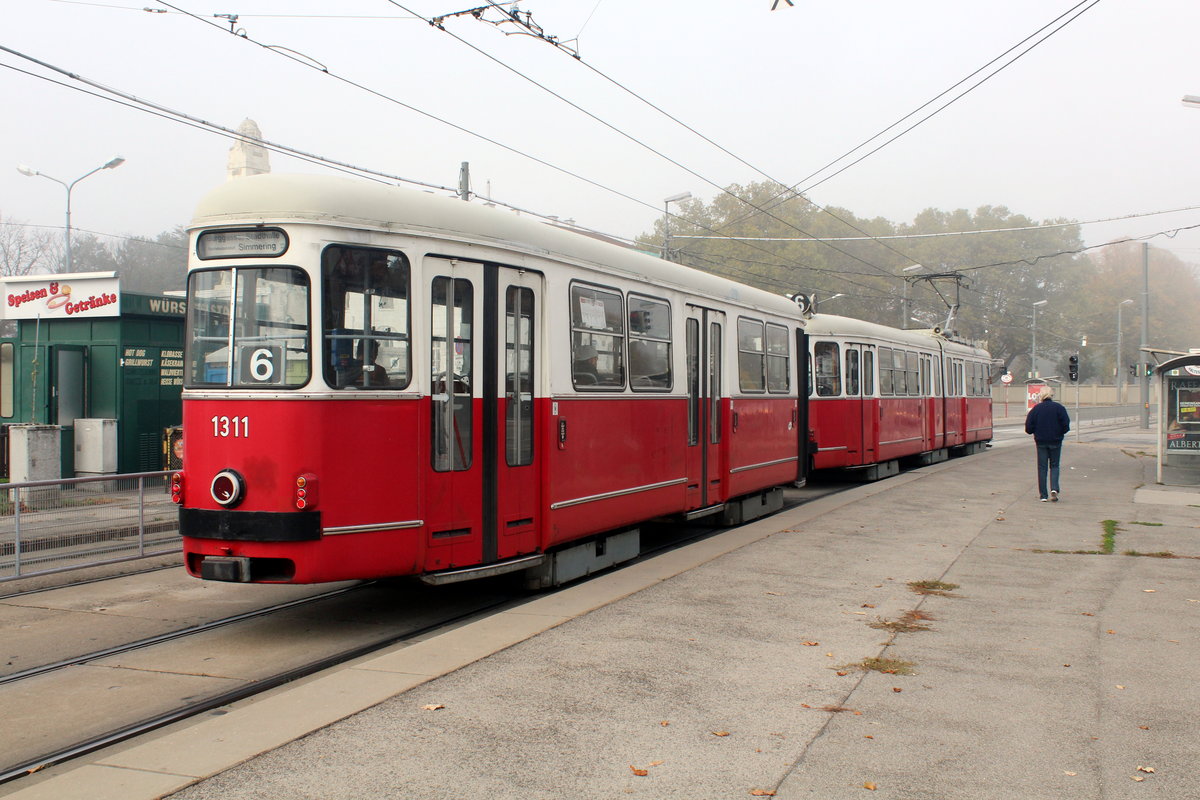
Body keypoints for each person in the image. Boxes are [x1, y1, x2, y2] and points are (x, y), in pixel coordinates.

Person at [1025, 385, 1071, 502]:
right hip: (1056, 441)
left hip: (1041, 442)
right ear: (1052, 395)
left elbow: (1028, 428)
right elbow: (1066, 425)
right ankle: (1054, 488)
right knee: (1055, 465)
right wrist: (1059, 432)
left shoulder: (1036, 409)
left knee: (1042, 467)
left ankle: (1043, 495)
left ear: (1040, 395)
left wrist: (1036, 430)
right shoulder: (1059, 408)